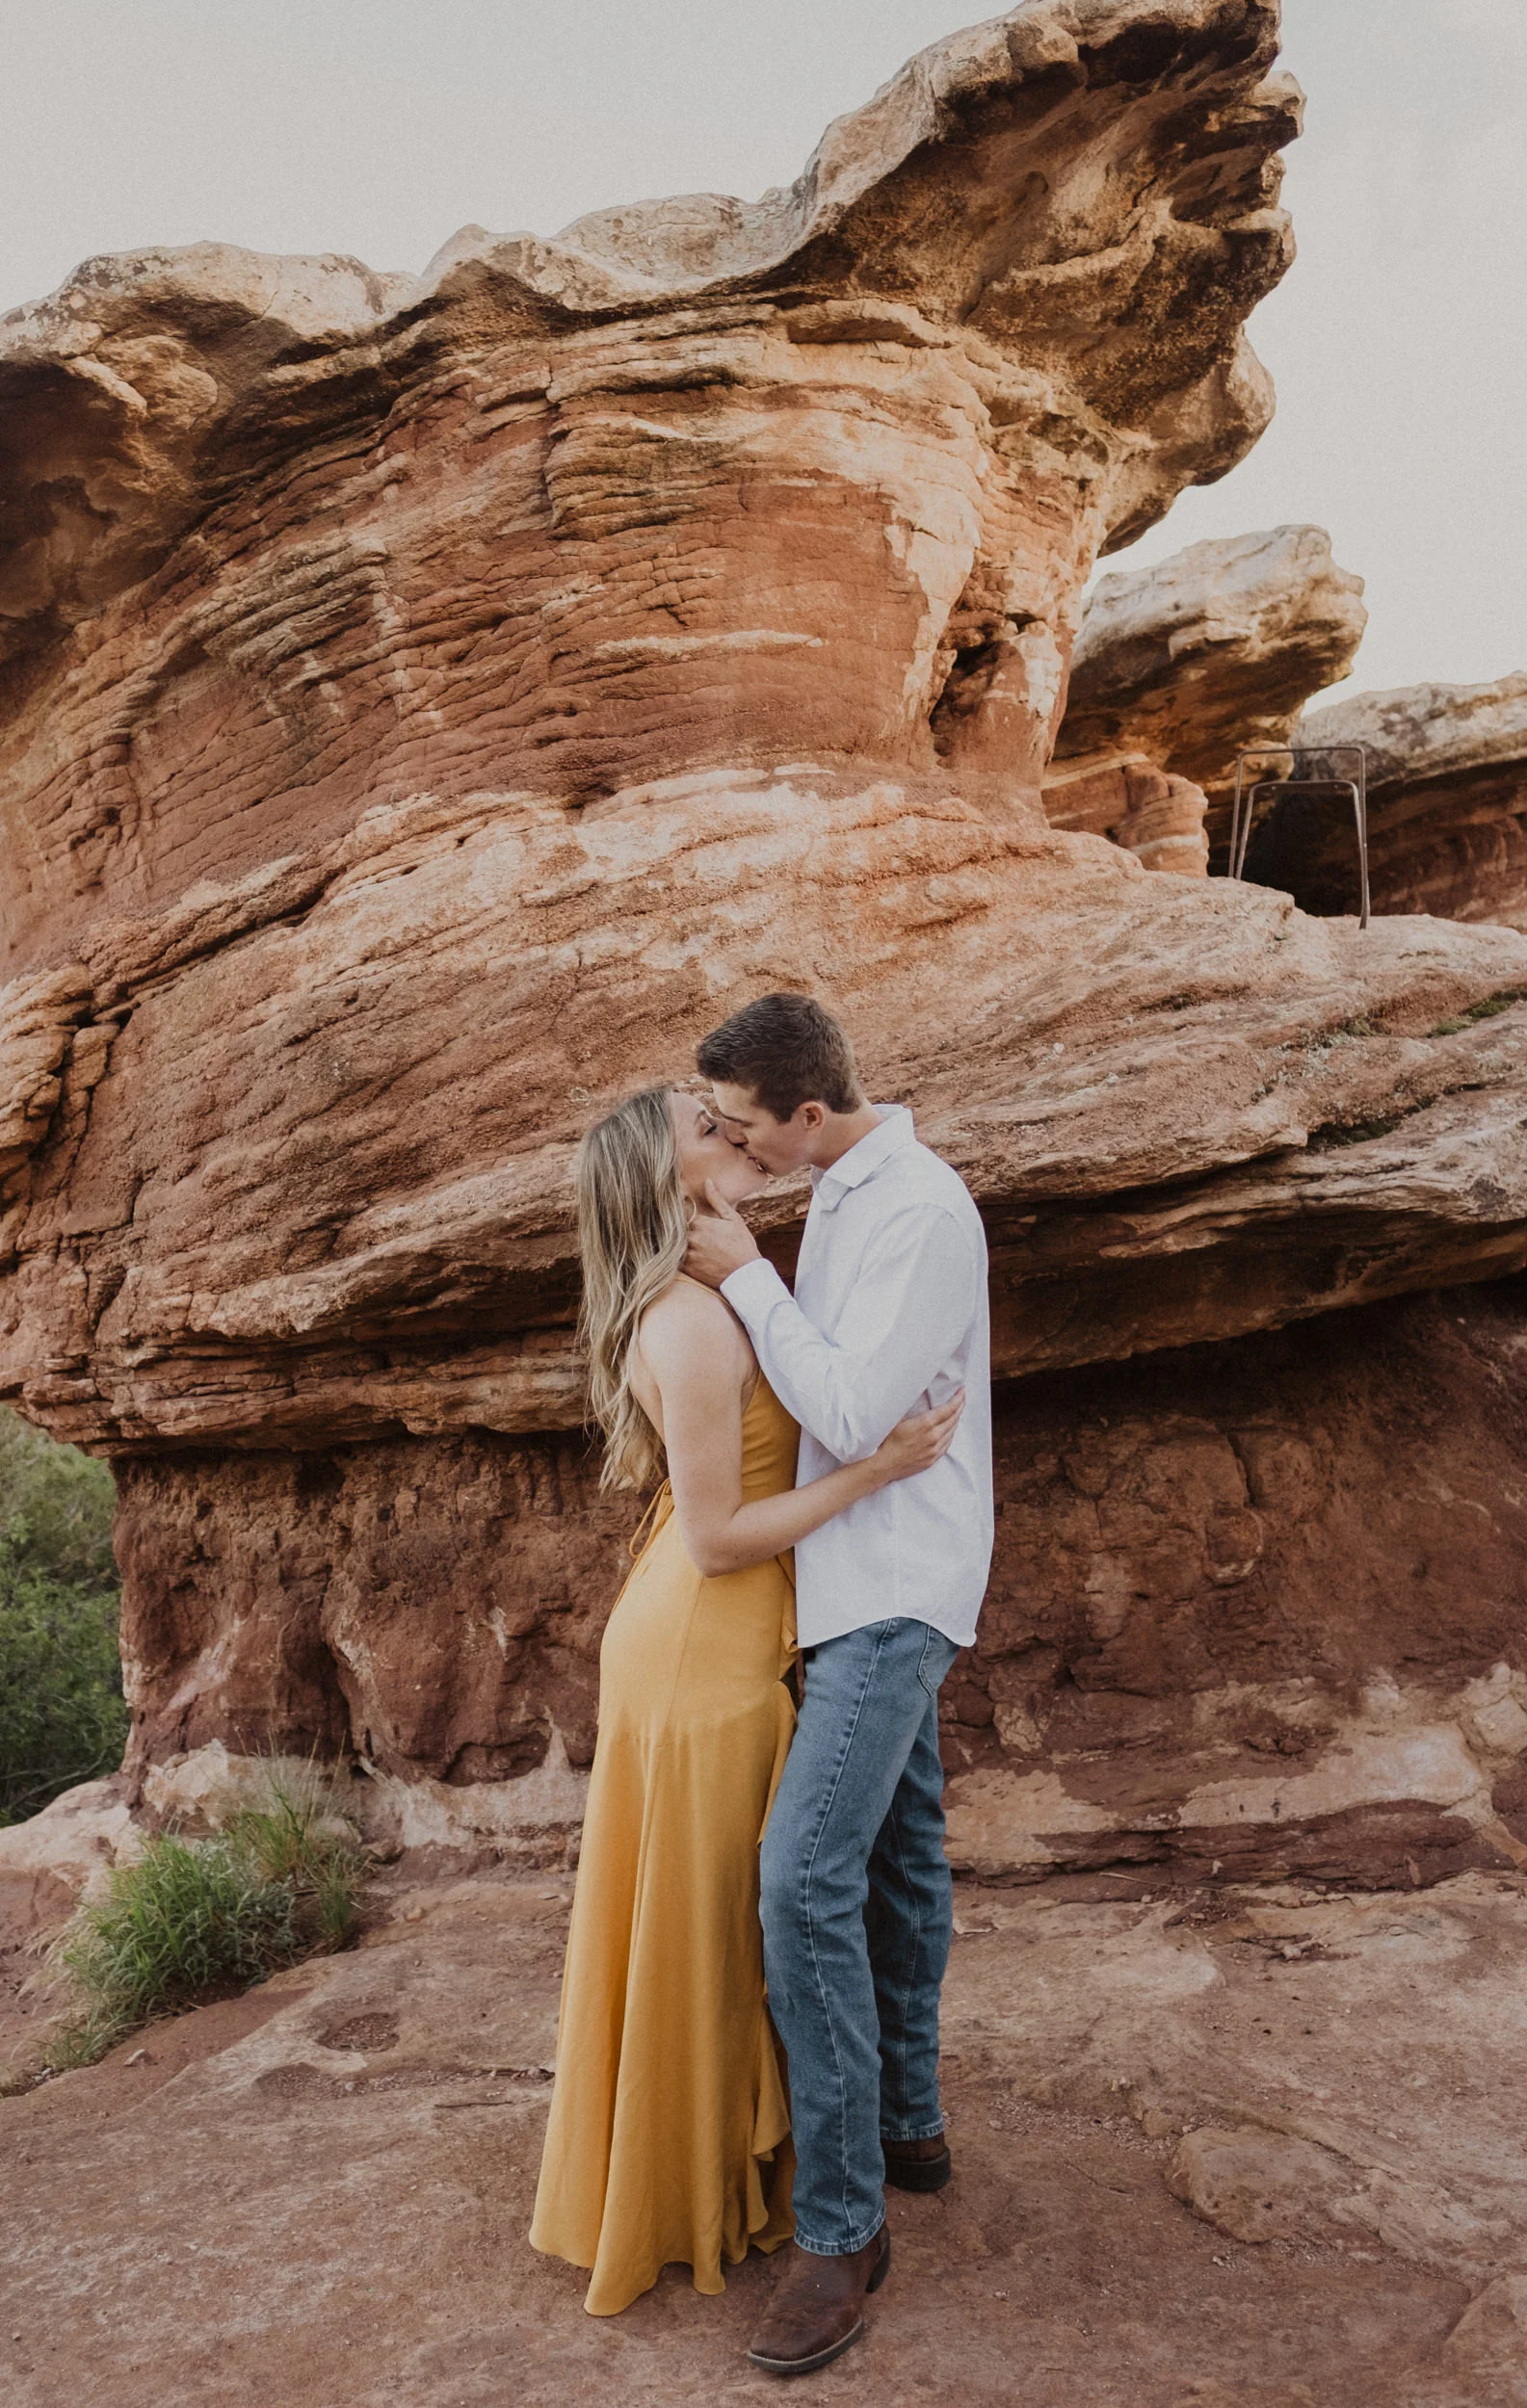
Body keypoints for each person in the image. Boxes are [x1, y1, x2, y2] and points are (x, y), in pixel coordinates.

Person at [529, 1083, 963, 2317]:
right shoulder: (690, 1323)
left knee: (739, 1919)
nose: (732, 1134)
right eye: (704, 1133)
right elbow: (718, 1539)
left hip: (731, 1640)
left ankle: (806, 2148)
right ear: (668, 1186)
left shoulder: (729, 1289)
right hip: (703, 1653)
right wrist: (878, 1468)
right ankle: (729, 2187)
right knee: (732, 1923)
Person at [684, 993, 993, 2379]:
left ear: (808, 1115)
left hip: (896, 1586)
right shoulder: (844, 1194)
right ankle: (911, 2125)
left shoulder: (919, 1209)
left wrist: (746, 1274)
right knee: (901, 1861)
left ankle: (839, 2227)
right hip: (850, 1580)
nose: (733, 1144)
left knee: (798, 1879)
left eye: (746, 1123)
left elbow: (861, 1415)